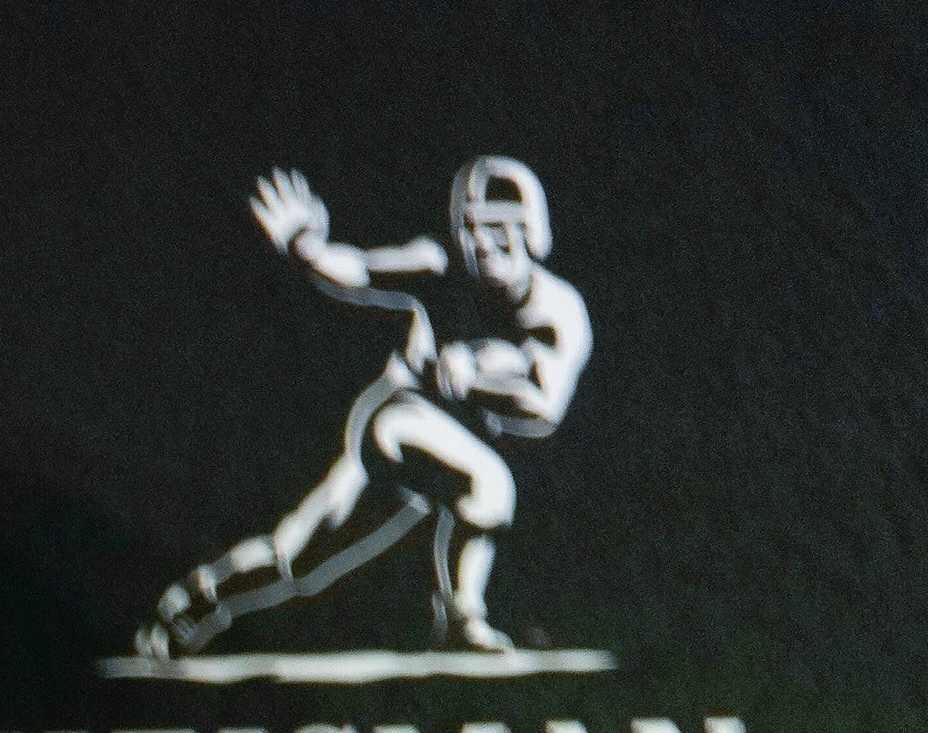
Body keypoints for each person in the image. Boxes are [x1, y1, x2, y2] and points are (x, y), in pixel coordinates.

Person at [135, 158, 595, 659]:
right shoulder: (439, 266)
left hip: (446, 445)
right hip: (398, 420)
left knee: (297, 563)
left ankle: (190, 606)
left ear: (531, 229)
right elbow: (358, 268)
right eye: (472, 226)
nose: (483, 242)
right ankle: (463, 619)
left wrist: (476, 378)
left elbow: (544, 409)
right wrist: (302, 245)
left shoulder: (560, 312)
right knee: (488, 484)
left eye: (498, 226)